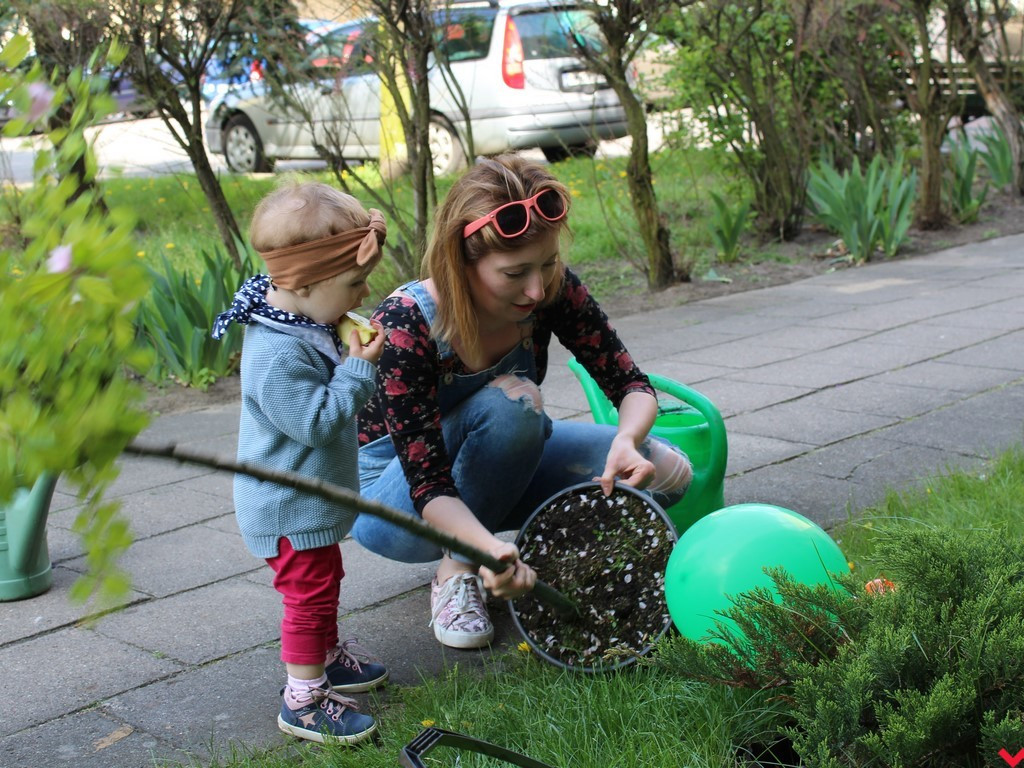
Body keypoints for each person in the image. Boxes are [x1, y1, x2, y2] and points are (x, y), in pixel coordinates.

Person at [352, 155, 693, 650]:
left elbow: (631, 385)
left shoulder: (550, 290)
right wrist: (488, 548)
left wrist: (628, 439)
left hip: (496, 460)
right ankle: (457, 570)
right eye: (514, 273)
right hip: (396, 502)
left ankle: (547, 553)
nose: (536, 289)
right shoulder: (408, 325)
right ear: (461, 261)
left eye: (548, 264)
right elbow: (426, 484)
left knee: (666, 472)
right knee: (515, 403)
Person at [212, 181, 388, 745]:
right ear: (307, 282)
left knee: (325, 582)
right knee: (308, 598)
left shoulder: (304, 320)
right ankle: (303, 699)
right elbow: (315, 423)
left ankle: (328, 656)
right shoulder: (278, 354)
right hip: (286, 508)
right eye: (355, 283)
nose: (364, 292)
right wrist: (357, 371)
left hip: (308, 500)